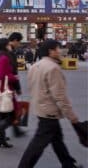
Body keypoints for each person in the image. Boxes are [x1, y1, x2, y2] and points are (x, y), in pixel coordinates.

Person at [18, 40, 83, 168]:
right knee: (38, 144)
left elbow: (32, 88)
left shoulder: (36, 66)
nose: (59, 51)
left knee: (57, 139)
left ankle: (68, 164)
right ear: (51, 51)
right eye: (57, 49)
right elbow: (59, 96)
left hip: (40, 108)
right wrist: (72, 116)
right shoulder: (53, 68)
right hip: (50, 112)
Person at [7, 32, 26, 137]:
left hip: (7, 84)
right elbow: (13, 71)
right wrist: (17, 87)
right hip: (8, 85)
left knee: (9, 109)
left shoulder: (8, 50)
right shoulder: (9, 52)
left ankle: (16, 130)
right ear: (14, 40)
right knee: (5, 111)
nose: (19, 44)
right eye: (19, 42)